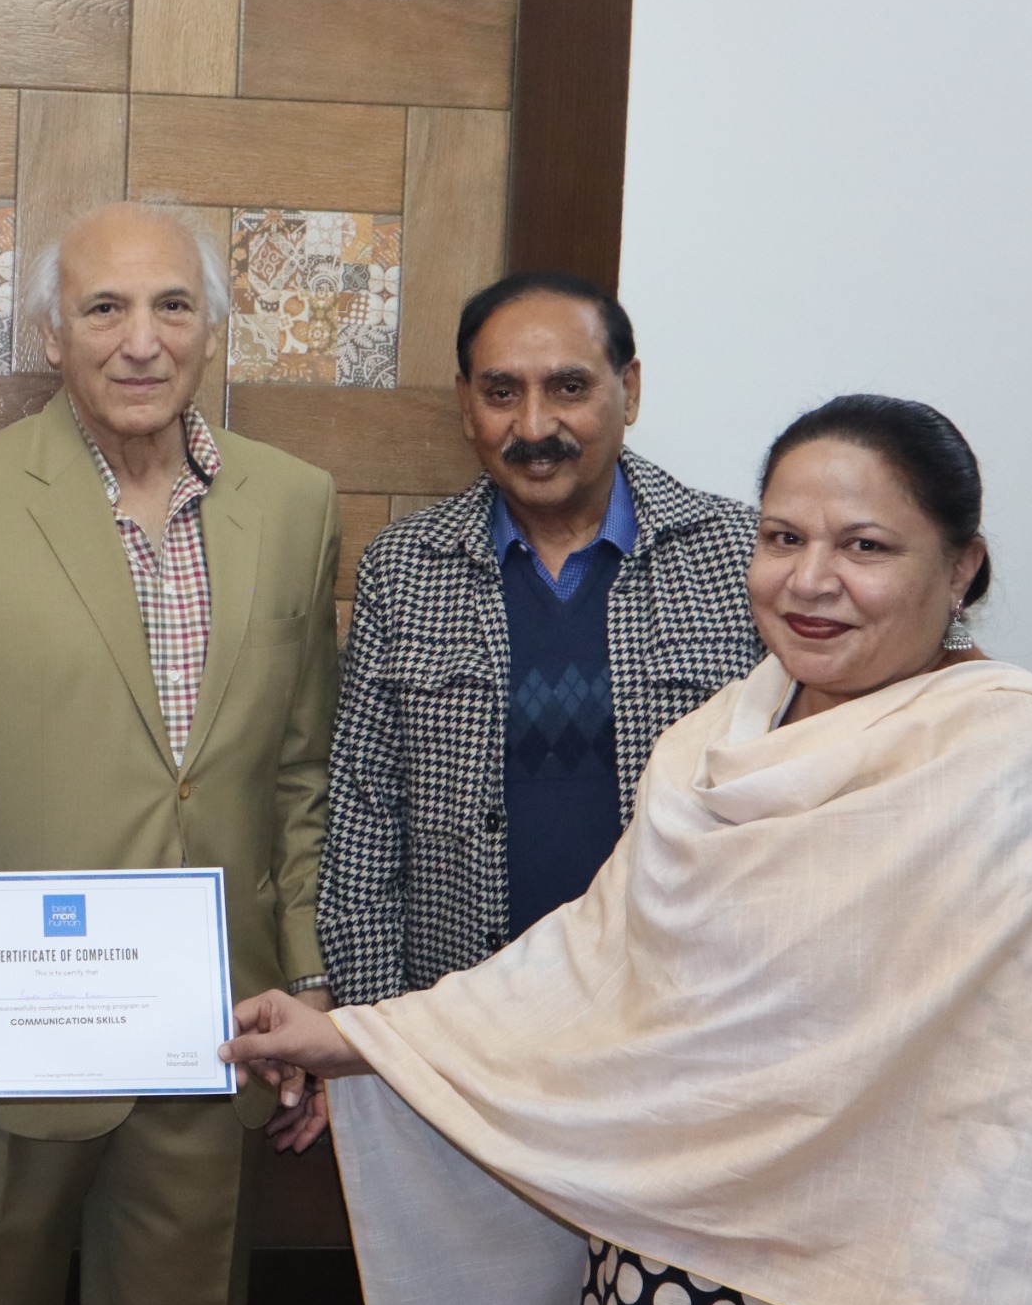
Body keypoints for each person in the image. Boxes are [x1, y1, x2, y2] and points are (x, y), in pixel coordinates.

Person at [227, 395, 1032, 1305]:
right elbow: (592, 970)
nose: (810, 579)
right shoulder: (717, 748)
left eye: (864, 546)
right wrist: (354, 1037)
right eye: (782, 538)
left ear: (961, 568)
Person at [0, 201, 342, 1305]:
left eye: (172, 305)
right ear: (49, 333)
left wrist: (313, 986)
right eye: (104, 307)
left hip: (208, 1038)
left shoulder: (294, 502)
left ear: (212, 327)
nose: (141, 339)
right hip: (4, 1038)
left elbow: (299, 773)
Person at [318, 271, 764, 1007]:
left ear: (629, 390)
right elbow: (364, 820)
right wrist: (376, 1033)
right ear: (466, 405)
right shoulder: (404, 568)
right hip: (462, 1013)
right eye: (501, 393)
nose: (532, 426)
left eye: (568, 388)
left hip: (682, 1008)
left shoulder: (739, 556)